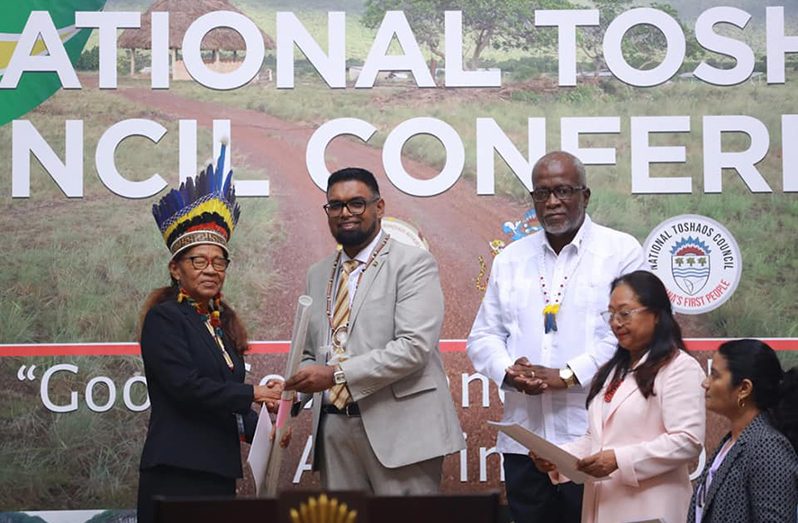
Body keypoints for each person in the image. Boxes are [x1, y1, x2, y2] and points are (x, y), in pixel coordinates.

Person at [467, 151, 645, 522]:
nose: (552, 202)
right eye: (542, 194)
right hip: (525, 442)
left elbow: (633, 336)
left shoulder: (620, 252)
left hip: (595, 442)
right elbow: (483, 337)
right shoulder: (511, 259)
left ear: (585, 195)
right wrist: (508, 371)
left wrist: (569, 374)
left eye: (563, 191)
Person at [284, 167, 465, 495]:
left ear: (379, 208)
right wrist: (292, 391)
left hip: (401, 433)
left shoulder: (413, 264)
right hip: (334, 432)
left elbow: (413, 347)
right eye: (335, 206)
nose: (345, 214)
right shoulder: (318, 273)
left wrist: (336, 375)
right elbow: (311, 353)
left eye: (356, 203)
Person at [137, 145, 281, 523]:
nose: (210, 269)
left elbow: (225, 404)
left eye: (219, 261)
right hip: (177, 470)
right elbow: (186, 388)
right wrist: (254, 392)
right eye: (198, 261)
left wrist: (268, 422)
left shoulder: (222, 324)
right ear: (176, 268)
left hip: (217, 469)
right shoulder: (164, 319)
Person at [531, 270, 706, 523]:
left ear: (656, 314)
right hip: (603, 505)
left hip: (652, 507)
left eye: (625, 313)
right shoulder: (614, 370)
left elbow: (687, 441)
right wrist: (557, 456)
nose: (615, 322)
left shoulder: (680, 367)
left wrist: (619, 460)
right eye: (611, 314)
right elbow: (597, 439)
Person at [688, 339, 798, 522]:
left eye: (715, 375)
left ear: (744, 389)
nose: (705, 383)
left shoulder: (768, 447)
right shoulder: (734, 440)